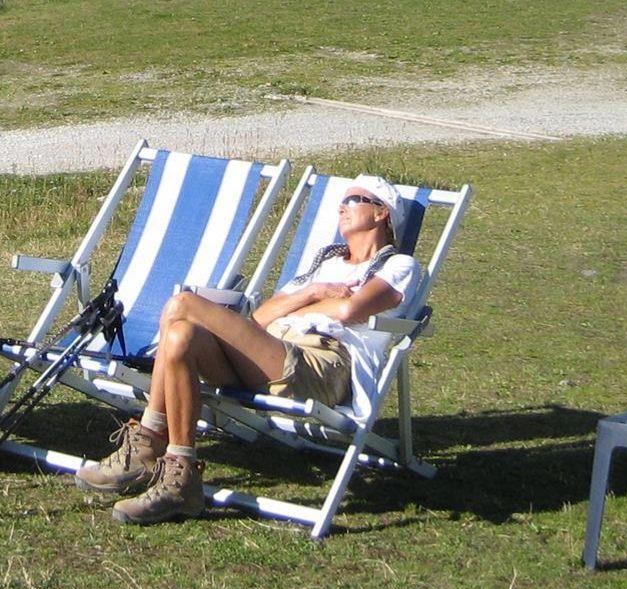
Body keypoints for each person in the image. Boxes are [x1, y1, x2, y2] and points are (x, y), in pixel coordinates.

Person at [74, 174, 420, 525]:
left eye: (354, 200)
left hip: (321, 365)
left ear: (381, 213)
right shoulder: (324, 264)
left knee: (182, 304)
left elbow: (349, 310)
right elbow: (261, 317)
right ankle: (181, 475)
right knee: (180, 335)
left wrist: (297, 309)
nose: (342, 208)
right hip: (275, 352)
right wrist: (314, 292)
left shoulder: (399, 266)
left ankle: (148, 442)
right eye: (342, 201)